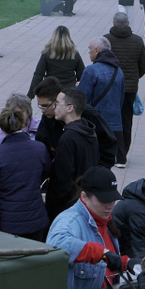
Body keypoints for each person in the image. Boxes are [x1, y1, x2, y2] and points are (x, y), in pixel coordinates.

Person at [48, 166, 127, 289]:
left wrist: (125, 262)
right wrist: (100, 253)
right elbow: (56, 244)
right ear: (84, 197)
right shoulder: (70, 221)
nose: (110, 206)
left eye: (113, 200)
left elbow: (106, 261)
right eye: (103, 200)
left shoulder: (104, 218)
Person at [0, 102, 51, 241]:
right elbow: (46, 173)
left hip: (7, 220)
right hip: (36, 218)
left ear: (2, 127)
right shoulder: (39, 148)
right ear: (23, 124)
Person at [46, 89, 103, 219]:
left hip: (68, 206)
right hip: (84, 200)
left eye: (57, 103)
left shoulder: (69, 137)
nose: (54, 107)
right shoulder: (89, 131)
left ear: (70, 108)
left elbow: (63, 179)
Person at [105, 15, 145, 167]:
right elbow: (144, 65)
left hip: (109, 87)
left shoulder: (106, 40)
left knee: (109, 120)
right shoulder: (137, 40)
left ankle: (112, 152)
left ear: (113, 23)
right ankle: (122, 155)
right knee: (126, 120)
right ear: (128, 23)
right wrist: (134, 77)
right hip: (129, 88)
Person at [77, 35, 126, 147]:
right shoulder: (118, 71)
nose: (88, 52)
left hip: (94, 122)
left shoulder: (91, 70)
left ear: (96, 50)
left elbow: (81, 99)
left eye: (89, 48)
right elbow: (121, 98)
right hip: (115, 123)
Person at [30, 26, 86, 99]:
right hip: (69, 92)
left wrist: (30, 95)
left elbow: (38, 75)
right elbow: (82, 75)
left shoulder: (47, 54)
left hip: (51, 91)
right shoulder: (74, 54)